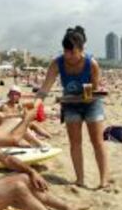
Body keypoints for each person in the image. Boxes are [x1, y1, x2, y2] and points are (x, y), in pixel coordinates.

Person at [35, 26, 109, 189]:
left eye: (72, 53)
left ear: (81, 50)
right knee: (75, 143)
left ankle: (103, 181)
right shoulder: (57, 63)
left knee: (97, 141)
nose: (68, 56)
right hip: (70, 105)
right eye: (66, 52)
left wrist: (81, 97)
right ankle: (80, 179)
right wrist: (37, 103)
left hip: (91, 104)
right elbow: (45, 87)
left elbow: (91, 92)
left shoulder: (92, 64)